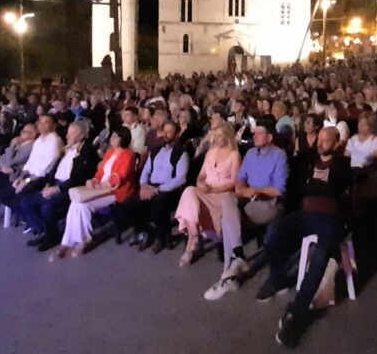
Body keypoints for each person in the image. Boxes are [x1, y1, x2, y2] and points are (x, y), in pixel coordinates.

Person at [256, 126, 352, 348]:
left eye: (327, 140)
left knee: (321, 253)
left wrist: (314, 187)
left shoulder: (343, 165)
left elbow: (337, 190)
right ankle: (278, 278)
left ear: (336, 143)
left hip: (330, 218)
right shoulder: (308, 161)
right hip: (306, 214)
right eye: (320, 139)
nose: (321, 143)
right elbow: (298, 188)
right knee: (274, 231)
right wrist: (318, 187)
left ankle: (296, 312)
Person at [204, 121, 288, 301]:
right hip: (247, 198)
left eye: (259, 133)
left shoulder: (279, 156)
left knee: (228, 219)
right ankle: (237, 258)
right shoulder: (250, 153)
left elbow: (279, 190)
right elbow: (240, 180)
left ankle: (228, 273)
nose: (255, 136)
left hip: (268, 202)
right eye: (254, 133)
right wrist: (243, 190)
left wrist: (258, 191)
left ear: (269, 137)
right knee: (227, 200)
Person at [55, 126, 138, 259]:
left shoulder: (129, 154)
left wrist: (102, 185)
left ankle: (84, 239)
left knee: (84, 205)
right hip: (100, 187)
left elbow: (120, 176)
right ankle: (68, 241)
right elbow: (100, 172)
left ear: (123, 139)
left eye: (115, 137)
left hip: (115, 191)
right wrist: (94, 180)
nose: (112, 139)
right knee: (76, 203)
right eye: (112, 136)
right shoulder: (110, 152)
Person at [20, 120, 99, 251]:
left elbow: (78, 178)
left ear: (82, 135)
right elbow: (54, 169)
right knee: (41, 206)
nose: (67, 136)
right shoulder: (66, 149)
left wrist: (56, 189)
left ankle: (50, 235)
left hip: (69, 188)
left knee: (29, 202)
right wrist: (49, 184)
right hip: (56, 184)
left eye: (72, 133)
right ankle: (48, 233)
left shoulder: (87, 151)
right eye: (68, 132)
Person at [174, 123, 241, 267]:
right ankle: (194, 236)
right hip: (207, 190)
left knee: (193, 196)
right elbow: (202, 175)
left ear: (228, 137)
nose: (217, 139)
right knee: (189, 191)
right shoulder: (211, 152)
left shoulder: (234, 155)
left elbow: (234, 182)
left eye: (220, 136)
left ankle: (191, 247)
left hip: (222, 194)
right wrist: (200, 183)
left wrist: (215, 190)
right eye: (215, 136)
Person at [123, 121, 189, 252]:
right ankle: (147, 231)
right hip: (150, 186)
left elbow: (181, 178)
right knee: (128, 205)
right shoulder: (155, 151)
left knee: (159, 204)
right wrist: (143, 186)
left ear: (176, 135)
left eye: (170, 132)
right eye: (165, 131)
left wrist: (158, 190)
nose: (166, 135)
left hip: (169, 189)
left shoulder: (182, 153)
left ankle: (161, 238)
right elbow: (146, 170)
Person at [0, 115, 64, 219]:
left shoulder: (54, 141)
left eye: (46, 122)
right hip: (29, 176)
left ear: (54, 126)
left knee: (19, 197)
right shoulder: (39, 140)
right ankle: (29, 219)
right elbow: (30, 163)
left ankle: (37, 225)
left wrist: (26, 181)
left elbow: (44, 169)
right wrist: (20, 177)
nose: (41, 124)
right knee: (1, 194)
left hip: (42, 179)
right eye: (40, 121)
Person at [344, 111, 377, 202]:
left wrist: (362, 171)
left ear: (372, 126)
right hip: (353, 176)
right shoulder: (353, 139)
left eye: (365, 125)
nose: (361, 126)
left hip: (369, 177)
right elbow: (346, 157)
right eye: (360, 123)